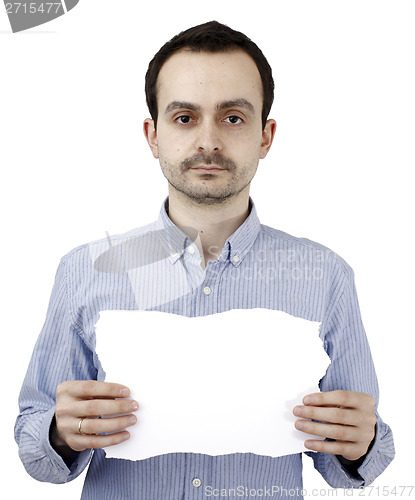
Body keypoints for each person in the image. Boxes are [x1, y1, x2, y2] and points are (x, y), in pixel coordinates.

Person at [15, 20, 394, 499]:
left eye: (233, 117)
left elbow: (353, 462)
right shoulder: (85, 271)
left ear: (266, 135)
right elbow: (35, 447)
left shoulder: (326, 277)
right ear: (153, 135)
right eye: (185, 118)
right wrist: (57, 433)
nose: (209, 141)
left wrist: (362, 443)